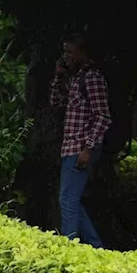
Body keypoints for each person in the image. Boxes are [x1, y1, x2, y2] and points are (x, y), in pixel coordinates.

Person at [50, 33, 111, 247]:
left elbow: (103, 116)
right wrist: (59, 76)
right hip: (71, 147)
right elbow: (56, 103)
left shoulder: (92, 77)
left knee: (66, 200)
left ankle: (69, 250)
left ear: (82, 52)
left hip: (80, 148)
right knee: (71, 201)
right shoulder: (76, 77)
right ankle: (97, 248)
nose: (65, 56)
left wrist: (88, 148)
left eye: (69, 51)